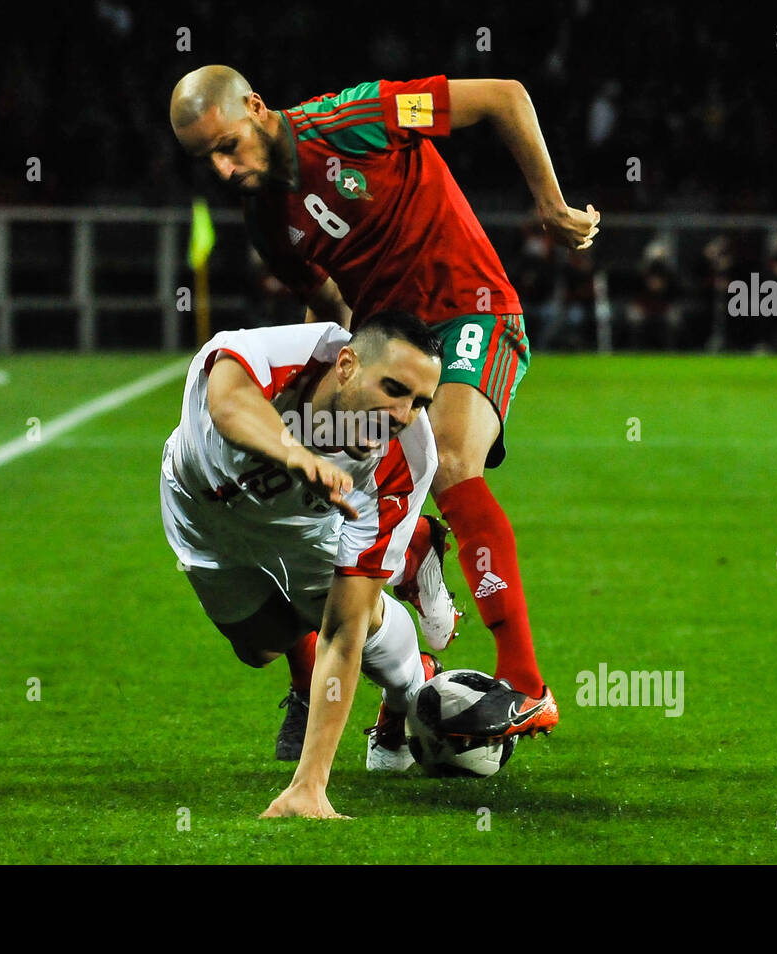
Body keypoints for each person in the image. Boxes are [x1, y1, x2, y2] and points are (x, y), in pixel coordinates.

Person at [169, 67, 599, 736]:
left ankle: (525, 685)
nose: (224, 169)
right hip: (383, 351)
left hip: (470, 311)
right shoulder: (263, 218)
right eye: (207, 160)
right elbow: (328, 306)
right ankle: (339, 657)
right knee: (307, 493)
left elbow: (503, 97)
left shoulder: (363, 115)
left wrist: (549, 200)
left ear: (256, 107)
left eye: (229, 146)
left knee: (454, 460)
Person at [160, 311, 540, 818]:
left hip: (307, 531)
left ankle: (412, 679)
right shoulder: (275, 354)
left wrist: (310, 786)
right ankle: (409, 556)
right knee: (259, 647)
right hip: (198, 512)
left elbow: (343, 631)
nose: (404, 414)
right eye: (394, 388)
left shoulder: (407, 457)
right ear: (345, 365)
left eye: (421, 402)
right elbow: (229, 404)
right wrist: (296, 455)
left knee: (347, 617)